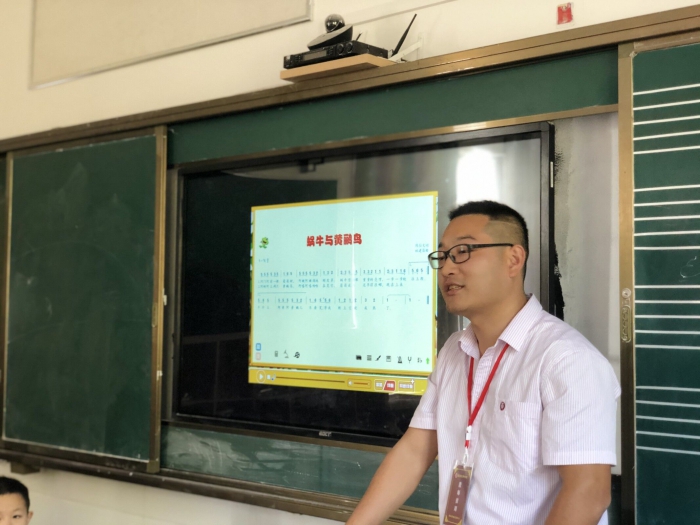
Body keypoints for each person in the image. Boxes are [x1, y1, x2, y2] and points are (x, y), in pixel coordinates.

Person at [347, 200, 620, 525]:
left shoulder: (566, 359)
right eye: (442, 256)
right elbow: (414, 452)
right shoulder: (454, 351)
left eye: (463, 251)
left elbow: (588, 492)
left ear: (513, 259)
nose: (447, 269)